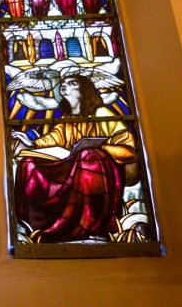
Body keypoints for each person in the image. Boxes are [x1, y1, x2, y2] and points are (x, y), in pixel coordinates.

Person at [12, 74, 136, 243]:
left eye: (72, 83)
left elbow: (128, 150)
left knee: (88, 157)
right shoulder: (67, 120)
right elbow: (53, 139)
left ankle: (89, 225)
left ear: (84, 90)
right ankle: (37, 224)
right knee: (28, 163)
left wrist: (100, 147)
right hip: (71, 166)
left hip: (100, 169)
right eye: (63, 83)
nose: (65, 85)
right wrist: (31, 142)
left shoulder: (102, 113)